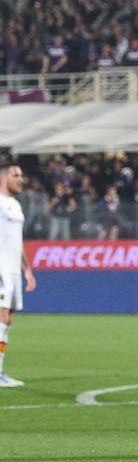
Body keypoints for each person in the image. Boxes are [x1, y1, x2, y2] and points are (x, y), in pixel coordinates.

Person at [0, 164, 37, 387]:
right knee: (1, 318)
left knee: (7, 320)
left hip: (13, 270)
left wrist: (27, 269)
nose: (21, 179)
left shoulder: (15, 204)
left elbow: (17, 240)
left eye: (21, 175)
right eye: (16, 175)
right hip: (1, 269)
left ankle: (0, 370)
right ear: (4, 178)